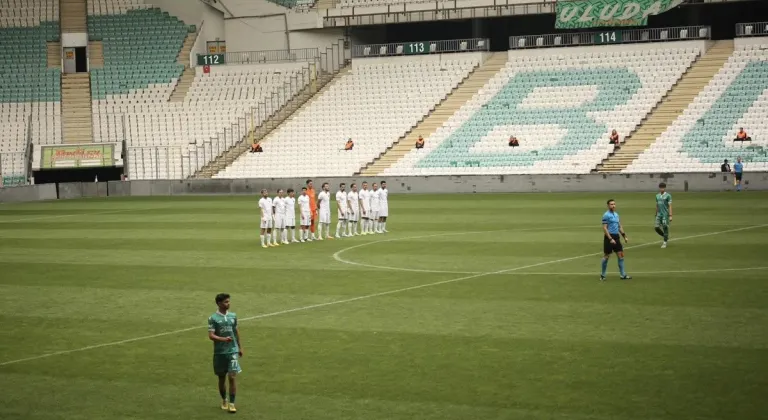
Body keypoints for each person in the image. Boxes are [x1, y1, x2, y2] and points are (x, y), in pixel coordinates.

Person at [207, 293, 242, 414]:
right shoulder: (213, 318)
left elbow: (236, 332)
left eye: (229, 301)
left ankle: (232, 404)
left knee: (232, 377)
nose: (228, 303)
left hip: (232, 351)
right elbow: (211, 335)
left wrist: (239, 347)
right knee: (221, 378)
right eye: (226, 302)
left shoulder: (233, 316)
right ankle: (224, 400)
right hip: (220, 353)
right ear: (219, 303)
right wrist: (223, 339)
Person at [601, 199, 631, 281]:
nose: (613, 206)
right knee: (606, 256)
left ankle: (623, 275)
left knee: (621, 256)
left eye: (614, 204)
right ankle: (603, 275)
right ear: (608, 205)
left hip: (616, 237)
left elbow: (619, 226)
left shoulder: (616, 215)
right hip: (609, 238)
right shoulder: (606, 215)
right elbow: (604, 228)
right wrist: (610, 238)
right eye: (611, 204)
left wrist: (624, 236)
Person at [654, 182, 673, 248]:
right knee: (656, 227)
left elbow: (670, 206)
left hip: (665, 214)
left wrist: (670, 215)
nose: (661, 189)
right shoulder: (657, 196)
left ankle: (665, 242)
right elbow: (657, 205)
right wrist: (656, 213)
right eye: (660, 188)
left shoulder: (668, 196)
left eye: (663, 187)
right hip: (659, 214)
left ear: (664, 188)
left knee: (665, 227)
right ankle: (665, 236)